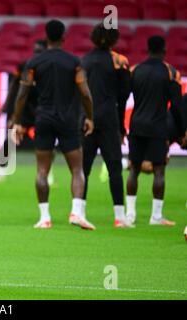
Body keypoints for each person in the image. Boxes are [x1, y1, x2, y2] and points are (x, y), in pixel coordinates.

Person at [12, 20, 95, 230]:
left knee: (42, 170)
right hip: (69, 120)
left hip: (44, 118)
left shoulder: (34, 63)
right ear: (64, 37)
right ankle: (76, 212)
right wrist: (90, 117)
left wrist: (16, 120)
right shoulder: (74, 61)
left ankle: (44, 217)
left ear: (46, 37)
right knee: (77, 169)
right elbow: (85, 93)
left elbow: (22, 95)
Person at [126, 36, 186, 226]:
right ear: (164, 50)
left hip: (136, 126)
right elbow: (177, 107)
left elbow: (123, 97)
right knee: (159, 171)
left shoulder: (135, 70)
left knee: (134, 170)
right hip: (158, 127)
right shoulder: (170, 73)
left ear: (147, 49)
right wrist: (183, 131)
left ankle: (130, 215)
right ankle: (156, 217)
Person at [81, 24, 132, 227]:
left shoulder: (83, 61)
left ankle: (79, 211)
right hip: (109, 119)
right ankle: (120, 216)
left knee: (83, 169)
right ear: (114, 39)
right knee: (114, 168)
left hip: (87, 120)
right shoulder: (120, 62)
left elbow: (80, 95)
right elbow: (123, 96)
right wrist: (121, 127)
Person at [0, 40, 49, 183]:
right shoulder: (25, 66)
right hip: (24, 110)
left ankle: (47, 175)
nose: (37, 53)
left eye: (40, 51)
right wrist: (6, 105)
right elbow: (14, 85)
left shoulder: (49, 68)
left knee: (46, 142)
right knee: (10, 140)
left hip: (42, 110)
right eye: (36, 50)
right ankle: (0, 172)